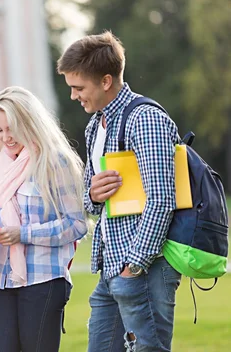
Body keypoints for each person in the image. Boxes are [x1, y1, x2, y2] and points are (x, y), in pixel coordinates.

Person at [57, 31, 182, 352]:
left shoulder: (145, 120)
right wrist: (95, 196)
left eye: (79, 88)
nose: (74, 96)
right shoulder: (94, 126)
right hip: (112, 269)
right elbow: (90, 202)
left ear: (107, 81)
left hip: (144, 269)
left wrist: (135, 266)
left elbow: (162, 199)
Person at [0, 86, 88, 352]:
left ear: (29, 122)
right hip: (4, 277)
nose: (6, 137)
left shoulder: (55, 161)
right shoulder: (2, 163)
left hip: (44, 278)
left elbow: (76, 224)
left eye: (12, 128)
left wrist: (23, 234)